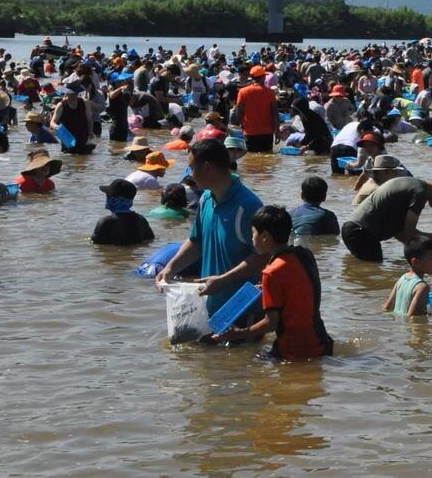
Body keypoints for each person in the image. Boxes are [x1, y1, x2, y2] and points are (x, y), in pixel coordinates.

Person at [155, 138, 266, 315]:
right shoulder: (206, 199)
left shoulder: (248, 206)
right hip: (210, 307)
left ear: (207, 168)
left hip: (243, 312)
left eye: (192, 168)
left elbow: (263, 257)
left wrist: (223, 280)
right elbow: (196, 242)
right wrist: (170, 268)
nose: (190, 175)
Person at [212, 205, 333, 361]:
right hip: (322, 341)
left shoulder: (271, 273)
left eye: (253, 233)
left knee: (242, 364)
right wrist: (266, 288)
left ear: (265, 237)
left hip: (293, 351)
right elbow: (301, 286)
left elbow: (271, 324)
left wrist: (238, 333)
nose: (251, 238)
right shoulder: (305, 254)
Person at [341, 175, 432, 261]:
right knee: (374, 276)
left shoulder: (413, 185)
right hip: (363, 233)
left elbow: (400, 233)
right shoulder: (420, 193)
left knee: (365, 271)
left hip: (351, 230)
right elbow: (409, 233)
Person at [383, 234, 432, 316]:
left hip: (400, 326)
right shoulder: (422, 287)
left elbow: (386, 307)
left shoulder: (402, 278)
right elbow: (414, 317)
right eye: (431, 258)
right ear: (415, 262)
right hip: (409, 328)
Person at [91, 177, 154, 246]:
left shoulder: (105, 222)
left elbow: (95, 244)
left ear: (113, 199)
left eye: (108, 196)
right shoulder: (141, 219)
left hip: (113, 256)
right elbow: (150, 239)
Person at [234, 65, 278, 153]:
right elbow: (275, 113)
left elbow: (238, 111)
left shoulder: (243, 91)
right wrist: (277, 130)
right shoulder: (270, 92)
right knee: (267, 157)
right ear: (262, 77)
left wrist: (242, 125)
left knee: (251, 158)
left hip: (250, 132)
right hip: (267, 132)